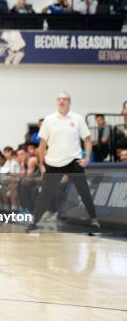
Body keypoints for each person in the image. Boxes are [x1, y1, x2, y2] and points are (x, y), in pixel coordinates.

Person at [27, 92, 100, 232]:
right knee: (45, 195)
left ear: (69, 102)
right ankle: (34, 222)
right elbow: (42, 144)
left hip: (74, 161)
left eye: (65, 99)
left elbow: (88, 139)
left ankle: (94, 220)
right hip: (53, 163)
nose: (62, 102)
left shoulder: (77, 118)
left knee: (84, 192)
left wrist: (87, 158)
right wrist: (41, 164)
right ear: (56, 102)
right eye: (60, 99)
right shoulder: (49, 119)